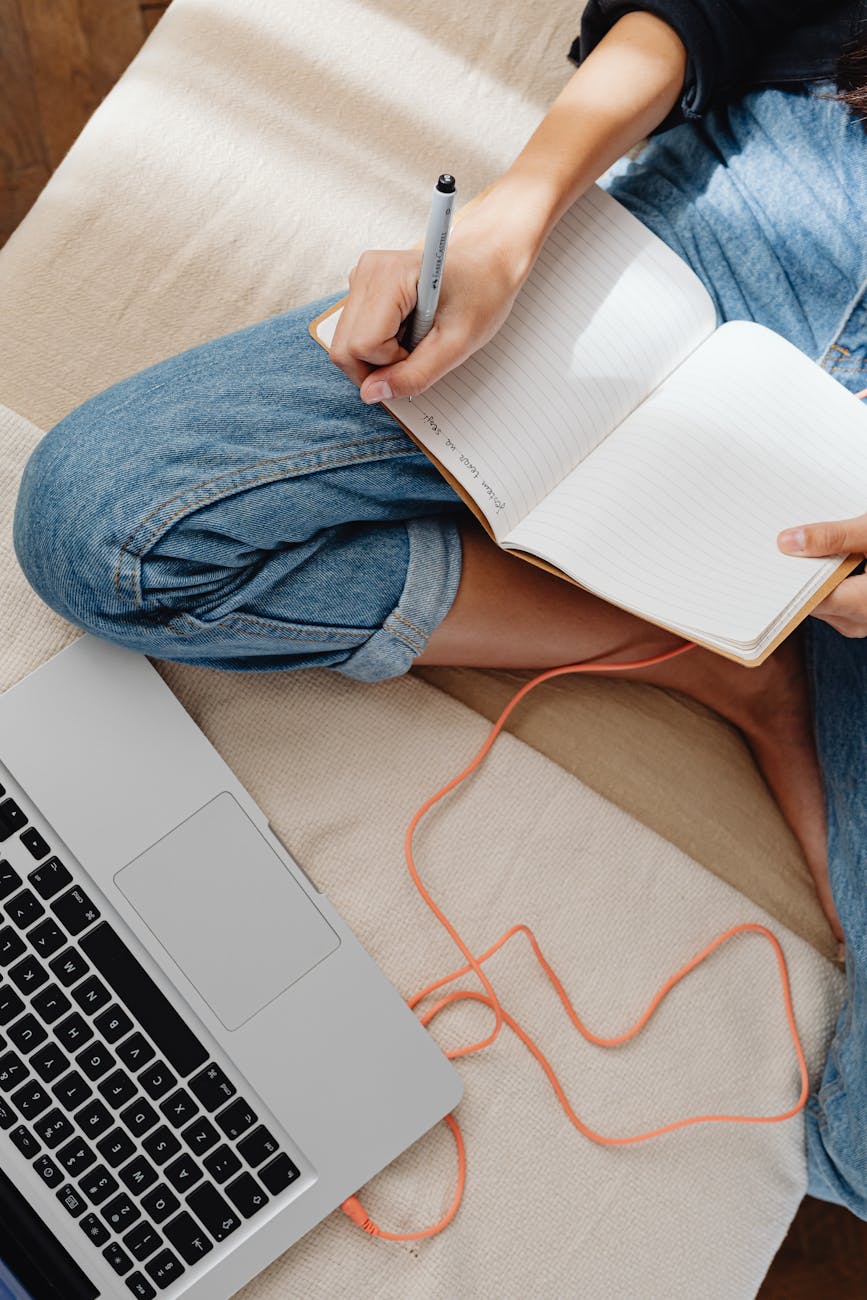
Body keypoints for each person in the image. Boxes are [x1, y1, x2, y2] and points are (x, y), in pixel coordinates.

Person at [11, 1, 867, 1217]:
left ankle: (740, 637)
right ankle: (701, 654)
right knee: (101, 524)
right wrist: (517, 218)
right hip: (762, 206)